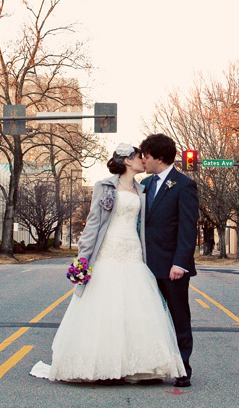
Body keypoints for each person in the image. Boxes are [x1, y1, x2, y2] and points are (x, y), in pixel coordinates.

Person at [30, 143, 186, 384]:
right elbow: (93, 223)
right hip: (108, 250)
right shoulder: (105, 186)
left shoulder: (143, 188)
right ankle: (101, 365)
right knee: (105, 308)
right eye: (138, 157)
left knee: (136, 310)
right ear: (126, 161)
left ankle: (138, 365)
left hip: (133, 252)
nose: (143, 160)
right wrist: (83, 258)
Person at [139, 133, 199, 388]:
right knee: (149, 318)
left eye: (147, 156)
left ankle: (182, 368)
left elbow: (188, 228)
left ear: (160, 158)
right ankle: (152, 368)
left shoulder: (184, 185)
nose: (143, 160)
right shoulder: (145, 184)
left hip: (172, 267)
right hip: (144, 267)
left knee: (178, 318)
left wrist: (180, 263)